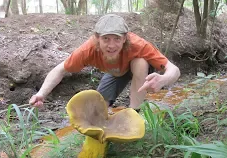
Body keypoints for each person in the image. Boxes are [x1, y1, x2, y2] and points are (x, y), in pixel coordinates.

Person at [29, 14, 180, 112]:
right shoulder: (87, 51)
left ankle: (135, 112)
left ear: (125, 38)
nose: (111, 45)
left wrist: (163, 79)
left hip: (137, 69)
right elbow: (60, 70)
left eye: (117, 39)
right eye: (106, 39)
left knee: (140, 62)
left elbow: (173, 70)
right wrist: (41, 93)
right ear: (97, 38)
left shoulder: (138, 45)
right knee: (99, 110)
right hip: (116, 72)